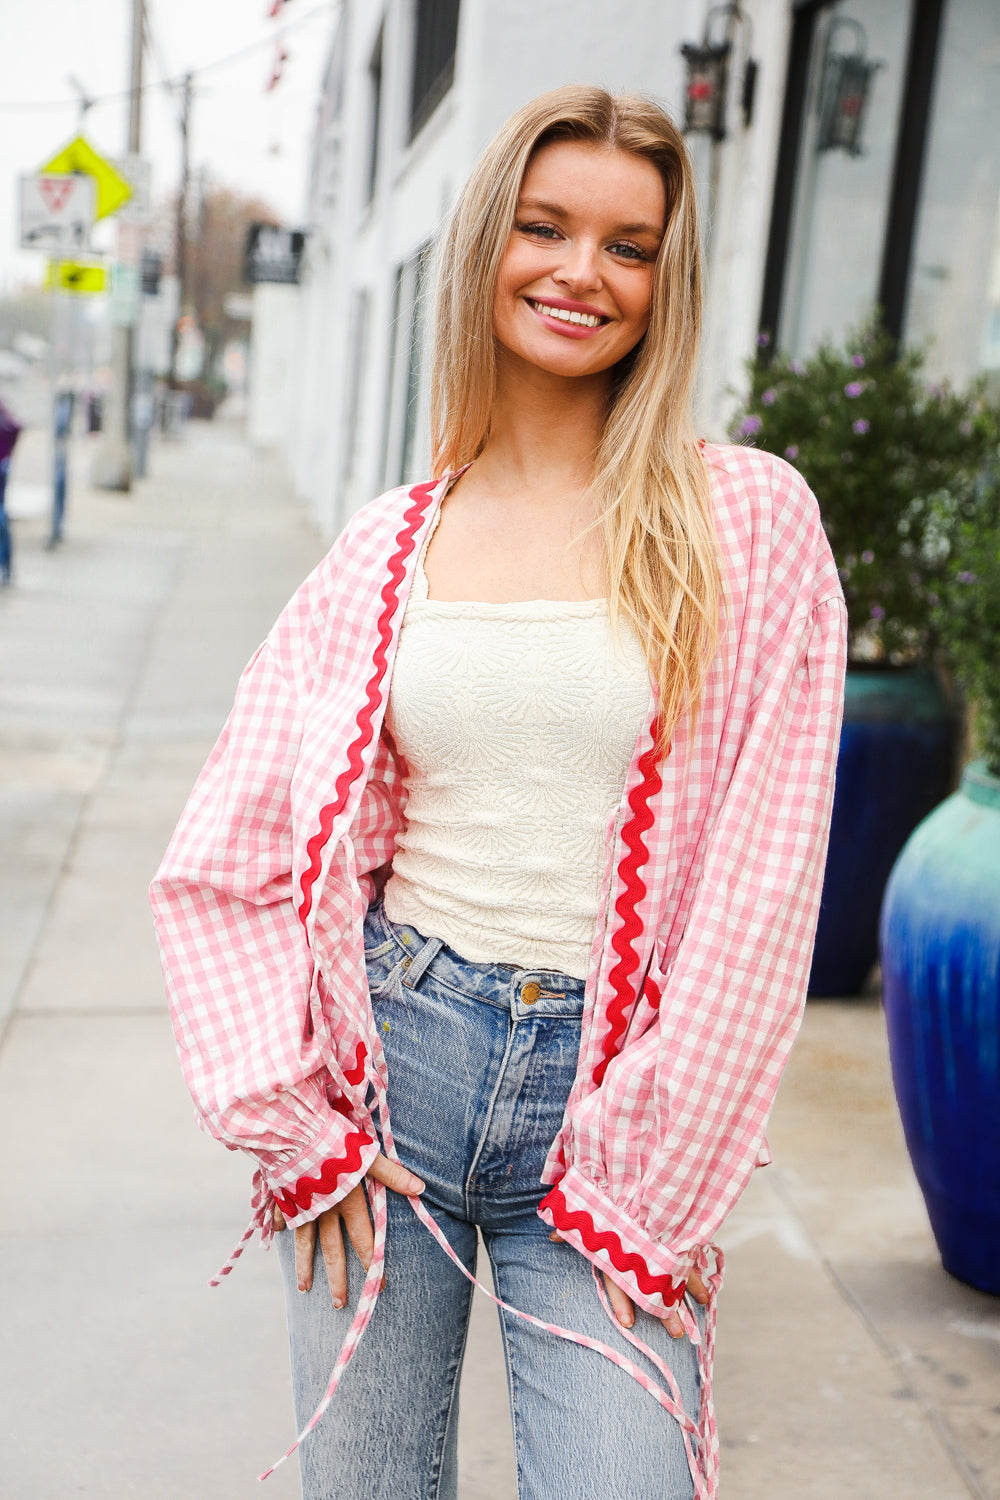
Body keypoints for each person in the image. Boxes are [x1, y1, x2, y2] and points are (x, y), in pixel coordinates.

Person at [151, 86, 846, 1500]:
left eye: (629, 245)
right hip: (392, 1082)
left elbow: (767, 888)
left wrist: (658, 1173)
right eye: (546, 228)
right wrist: (296, 1125)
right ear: (485, 249)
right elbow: (225, 857)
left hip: (618, 1113)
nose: (582, 272)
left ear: (668, 279)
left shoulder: (746, 519)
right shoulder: (384, 546)